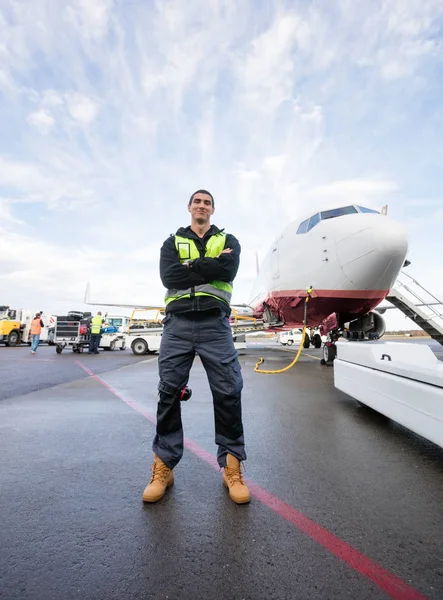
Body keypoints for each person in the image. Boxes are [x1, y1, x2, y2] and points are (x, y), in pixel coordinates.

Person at [142, 189, 250, 505]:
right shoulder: (171, 242)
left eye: (207, 202)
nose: (202, 206)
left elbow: (227, 271)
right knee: (168, 392)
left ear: (213, 210)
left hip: (215, 324)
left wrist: (190, 267)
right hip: (177, 325)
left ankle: (231, 466)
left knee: (229, 391)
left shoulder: (229, 239)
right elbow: (168, 276)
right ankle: (164, 466)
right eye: (197, 201)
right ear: (189, 207)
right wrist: (208, 265)